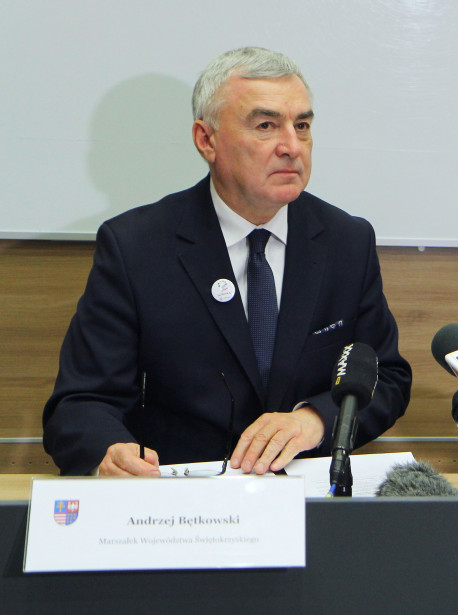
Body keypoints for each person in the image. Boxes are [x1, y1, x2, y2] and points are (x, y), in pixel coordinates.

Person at [43, 47, 412, 476]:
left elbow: (385, 377)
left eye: (302, 126)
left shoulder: (346, 241)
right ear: (207, 140)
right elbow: (81, 402)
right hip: (180, 498)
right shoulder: (136, 247)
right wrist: (110, 453)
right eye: (266, 125)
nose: (292, 147)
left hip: (306, 496)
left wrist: (316, 419)